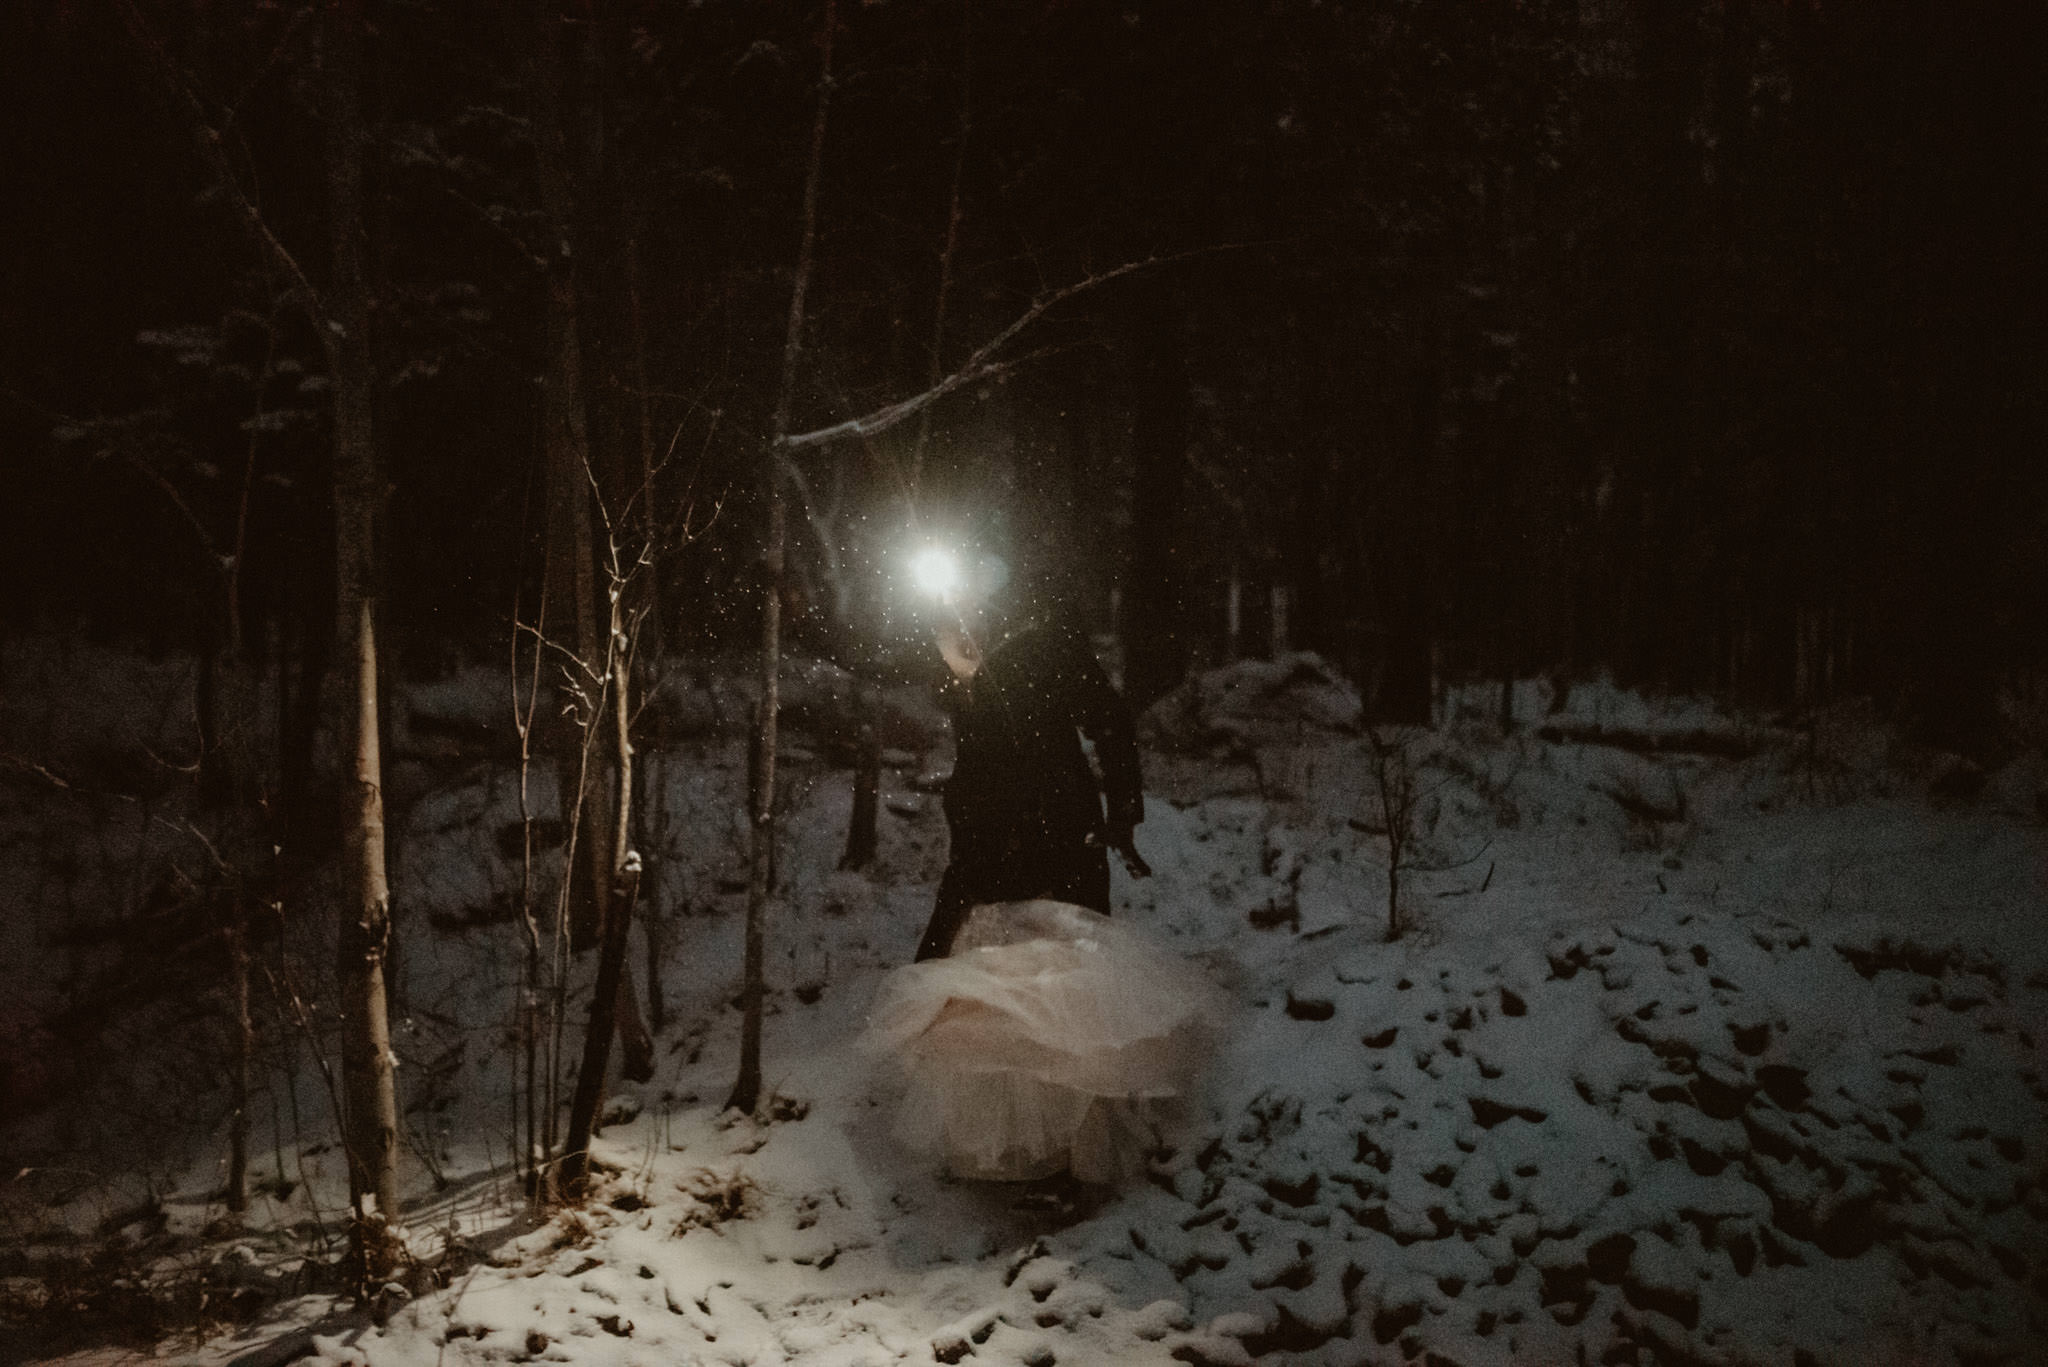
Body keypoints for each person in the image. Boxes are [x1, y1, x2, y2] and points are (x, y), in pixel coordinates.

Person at [912, 590, 1149, 963]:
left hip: (1061, 834)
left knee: (1075, 971)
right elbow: (976, 746)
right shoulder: (951, 648)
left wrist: (1123, 814)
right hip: (985, 847)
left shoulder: (1042, 647)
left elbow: (1109, 723)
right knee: (948, 972)